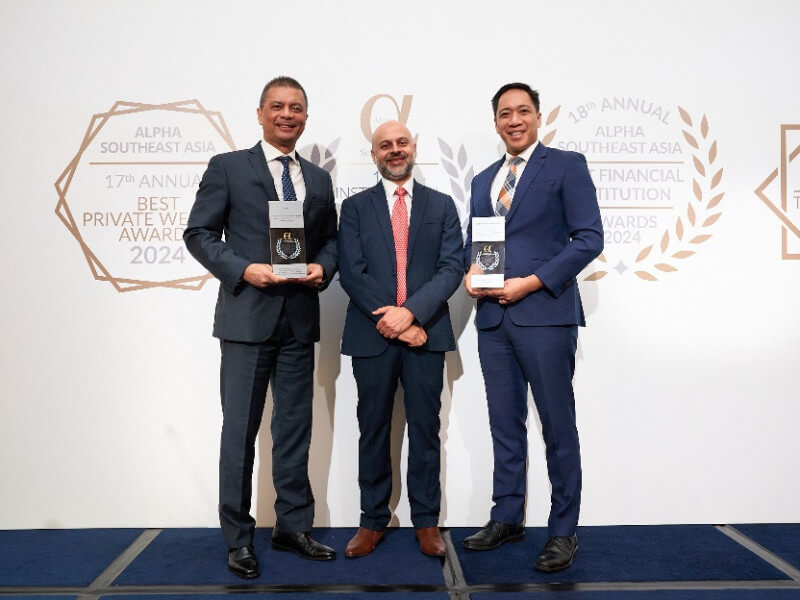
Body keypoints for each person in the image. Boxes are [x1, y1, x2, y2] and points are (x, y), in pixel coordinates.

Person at [184, 76, 338, 578]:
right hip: (247, 319)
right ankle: (238, 539)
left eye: (296, 107)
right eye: (277, 106)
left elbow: (331, 242)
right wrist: (243, 269)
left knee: (294, 430)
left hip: (299, 320)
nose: (286, 114)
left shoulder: (318, 180)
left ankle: (292, 527)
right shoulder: (228, 167)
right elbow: (199, 233)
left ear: (305, 117)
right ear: (259, 113)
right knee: (240, 432)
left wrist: (322, 267)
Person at [462, 83, 603, 572]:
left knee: (557, 426)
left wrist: (532, 282)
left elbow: (589, 238)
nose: (514, 120)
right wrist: (470, 272)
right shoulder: (484, 179)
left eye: (523, 111)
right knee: (504, 424)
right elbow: (476, 241)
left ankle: (563, 531)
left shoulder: (565, 165)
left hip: (544, 313)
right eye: (505, 113)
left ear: (539, 117)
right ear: (496, 122)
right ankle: (507, 516)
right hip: (492, 319)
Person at [337, 120, 463, 558]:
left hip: (426, 333)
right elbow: (352, 271)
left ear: (414, 148)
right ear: (373, 154)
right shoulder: (354, 208)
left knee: (426, 429)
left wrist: (411, 314)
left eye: (402, 143)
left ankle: (426, 522)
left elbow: (451, 267)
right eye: (385, 145)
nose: (395, 150)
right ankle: (372, 520)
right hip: (372, 334)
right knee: (372, 428)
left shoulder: (442, 206)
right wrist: (395, 321)